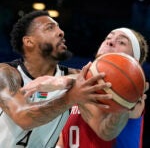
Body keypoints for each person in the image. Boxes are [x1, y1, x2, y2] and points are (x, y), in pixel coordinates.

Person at [0, 10, 113, 148]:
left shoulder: (72, 78)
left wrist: (67, 81)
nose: (61, 32)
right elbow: (22, 116)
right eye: (50, 27)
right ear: (29, 41)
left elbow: (109, 81)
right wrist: (70, 97)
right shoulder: (6, 73)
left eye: (59, 27)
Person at [22, 28, 149, 147]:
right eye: (108, 38)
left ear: (134, 61)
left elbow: (106, 131)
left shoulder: (132, 96)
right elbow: (62, 139)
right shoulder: (79, 88)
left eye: (121, 42)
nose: (110, 42)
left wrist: (63, 81)